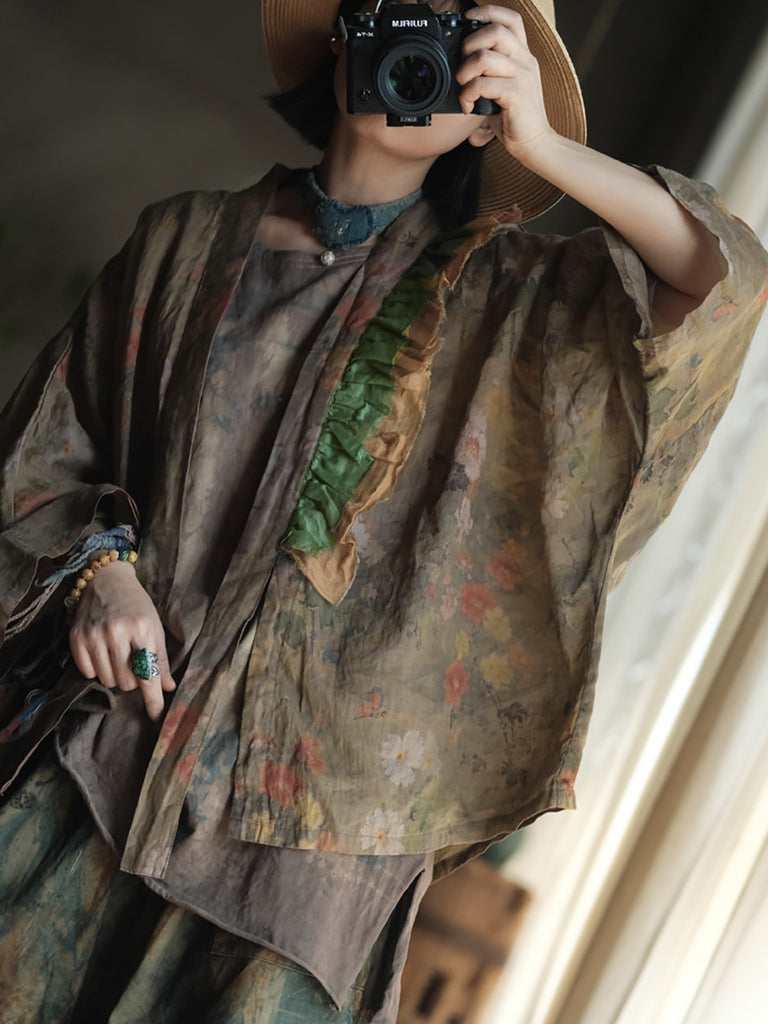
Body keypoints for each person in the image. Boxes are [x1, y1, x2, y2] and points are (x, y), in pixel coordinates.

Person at [0, 1, 766, 1021]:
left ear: (489, 100)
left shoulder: (521, 305)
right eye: (396, 12)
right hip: (94, 776)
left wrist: (544, 145)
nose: (417, 53)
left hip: (306, 875)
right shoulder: (181, 243)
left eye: (458, 39)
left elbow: (723, 282)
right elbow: (40, 456)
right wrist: (103, 573)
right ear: (343, 36)